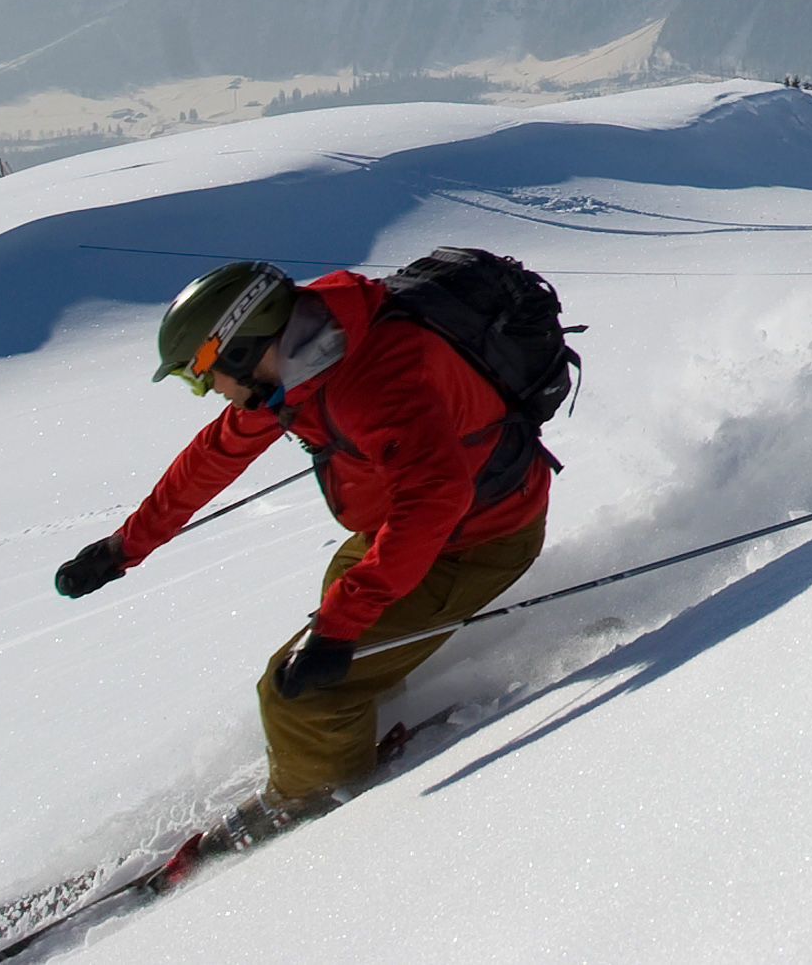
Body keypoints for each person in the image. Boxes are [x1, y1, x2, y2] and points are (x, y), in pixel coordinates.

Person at [51, 259, 552, 821]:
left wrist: (340, 629)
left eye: (200, 375)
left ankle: (311, 809)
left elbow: (435, 500)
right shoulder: (303, 360)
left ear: (237, 349)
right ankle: (350, 721)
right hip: (410, 530)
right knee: (336, 619)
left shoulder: (368, 379)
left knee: (298, 694)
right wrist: (123, 548)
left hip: (476, 539)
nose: (206, 391)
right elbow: (215, 455)